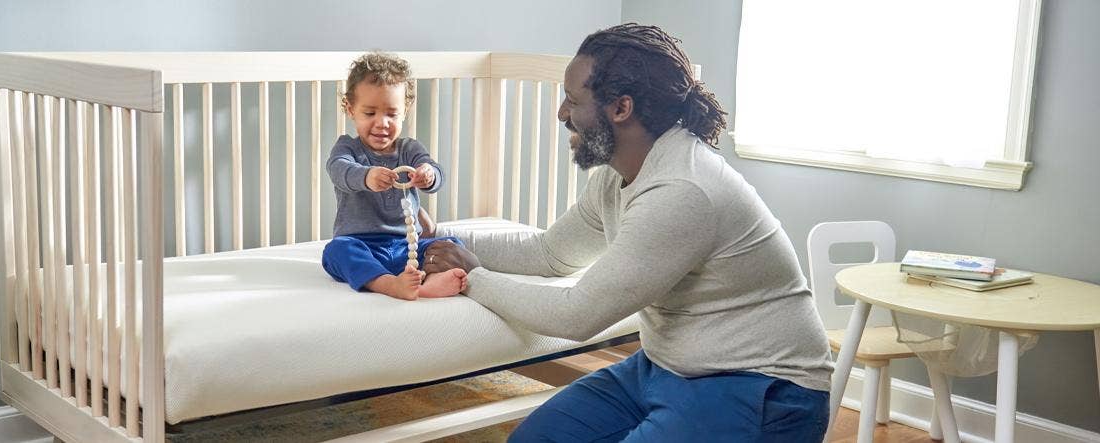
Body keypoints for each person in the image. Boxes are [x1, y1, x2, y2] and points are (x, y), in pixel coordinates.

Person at [421, 24, 832, 441]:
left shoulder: (681, 191)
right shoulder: (618, 173)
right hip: (663, 367)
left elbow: (578, 314)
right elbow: (551, 252)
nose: (562, 113)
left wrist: (472, 278)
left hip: (762, 387)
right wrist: (442, 239)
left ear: (621, 108)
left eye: (573, 100)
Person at [322, 51, 468, 301]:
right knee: (336, 251)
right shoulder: (348, 149)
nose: (382, 123)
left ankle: (429, 282)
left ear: (405, 110)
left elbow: (435, 171)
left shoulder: (409, 149)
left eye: (391, 113)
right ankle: (389, 284)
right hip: (364, 246)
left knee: (452, 245)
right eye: (370, 113)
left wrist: (428, 175)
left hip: (407, 246)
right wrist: (366, 176)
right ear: (350, 109)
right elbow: (338, 169)